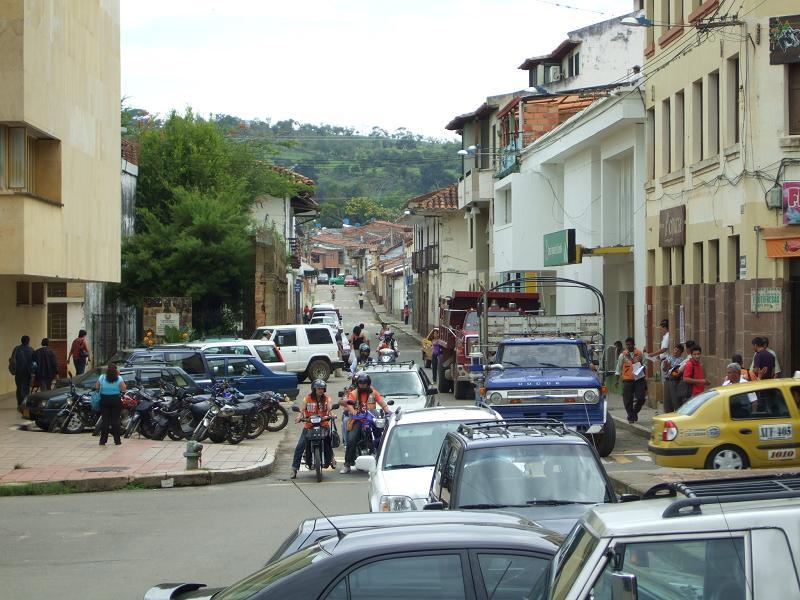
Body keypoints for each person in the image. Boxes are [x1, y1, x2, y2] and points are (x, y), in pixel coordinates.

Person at [341, 373, 391, 474]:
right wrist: (353, 412)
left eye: (364, 383)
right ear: (357, 383)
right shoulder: (354, 393)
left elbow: (381, 403)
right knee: (351, 439)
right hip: (358, 419)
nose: (362, 385)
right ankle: (347, 464)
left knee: (382, 437)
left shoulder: (373, 392)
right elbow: (349, 404)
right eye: (360, 383)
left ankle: (383, 460)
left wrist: (387, 411)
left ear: (368, 383)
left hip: (372, 418)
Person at [290, 379, 336, 479]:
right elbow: (302, 410)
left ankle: (332, 458)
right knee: (300, 446)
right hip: (309, 426)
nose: (320, 390)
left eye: (322, 389)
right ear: (314, 389)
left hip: (323, 424)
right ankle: (294, 469)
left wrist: (332, 415)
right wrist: (299, 417)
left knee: (329, 441)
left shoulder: (327, 399)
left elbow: (329, 409)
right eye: (318, 388)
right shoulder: (307, 398)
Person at [94, 363, 127, 446]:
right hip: (115, 399)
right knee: (115, 420)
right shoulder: (119, 378)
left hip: (104, 399)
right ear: (116, 370)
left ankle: (103, 441)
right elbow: (124, 389)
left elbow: (97, 387)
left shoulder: (102, 377)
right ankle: (117, 440)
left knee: (105, 420)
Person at [620, 337, 646, 424]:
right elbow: (618, 367)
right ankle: (631, 416)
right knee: (627, 400)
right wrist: (617, 379)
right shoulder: (623, 355)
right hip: (627, 379)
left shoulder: (639, 353)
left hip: (639, 378)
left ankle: (634, 412)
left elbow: (645, 364)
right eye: (627, 344)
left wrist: (641, 366)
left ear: (633, 344)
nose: (628, 346)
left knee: (641, 398)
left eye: (630, 344)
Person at [9, 336, 35, 409]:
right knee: (27, 389)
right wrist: (33, 372)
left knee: (19, 388)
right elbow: (34, 363)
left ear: (21, 341)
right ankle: (25, 404)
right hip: (28, 373)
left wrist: (13, 371)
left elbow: (13, 361)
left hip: (19, 373)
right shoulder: (31, 350)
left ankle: (19, 404)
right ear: (28, 341)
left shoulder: (16, 349)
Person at [661, 344, 684, 413]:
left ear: (681, 352)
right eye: (675, 349)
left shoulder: (681, 360)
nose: (675, 351)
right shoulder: (669, 357)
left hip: (675, 381)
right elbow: (664, 369)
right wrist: (665, 366)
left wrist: (669, 367)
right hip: (667, 381)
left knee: (675, 400)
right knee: (667, 401)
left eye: (678, 350)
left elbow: (676, 371)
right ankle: (668, 416)